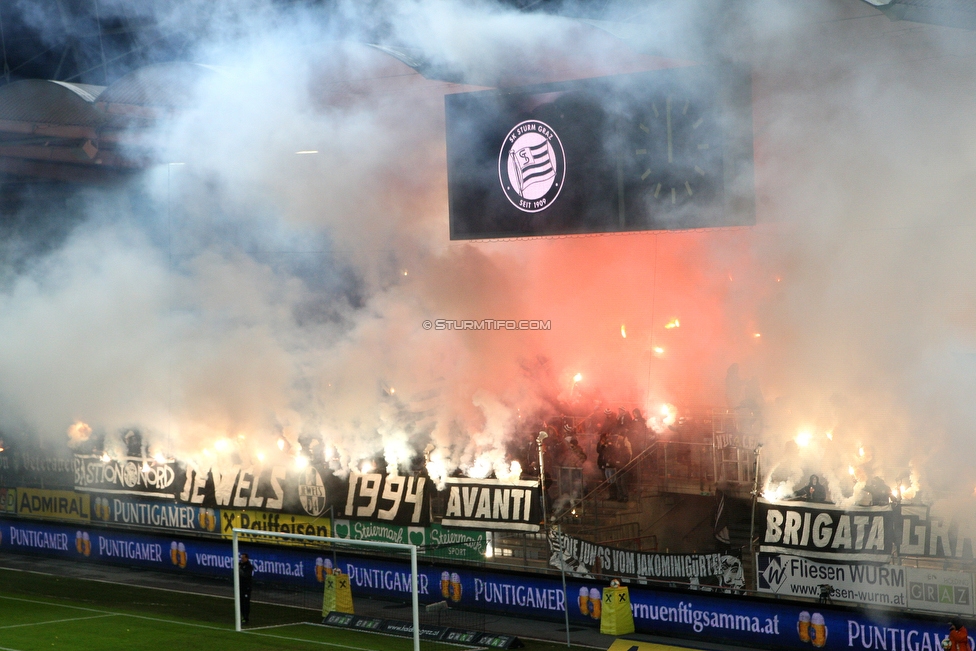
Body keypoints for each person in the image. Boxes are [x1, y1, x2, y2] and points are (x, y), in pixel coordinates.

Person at [239, 553, 254, 624]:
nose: (241, 559)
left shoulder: (249, 566)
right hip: (240, 587)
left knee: (246, 603)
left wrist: (239, 570)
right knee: (241, 602)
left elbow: (246, 575)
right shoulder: (240, 564)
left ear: (246, 558)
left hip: (246, 588)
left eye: (243, 558)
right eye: (241, 558)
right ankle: (242, 616)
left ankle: (246, 617)